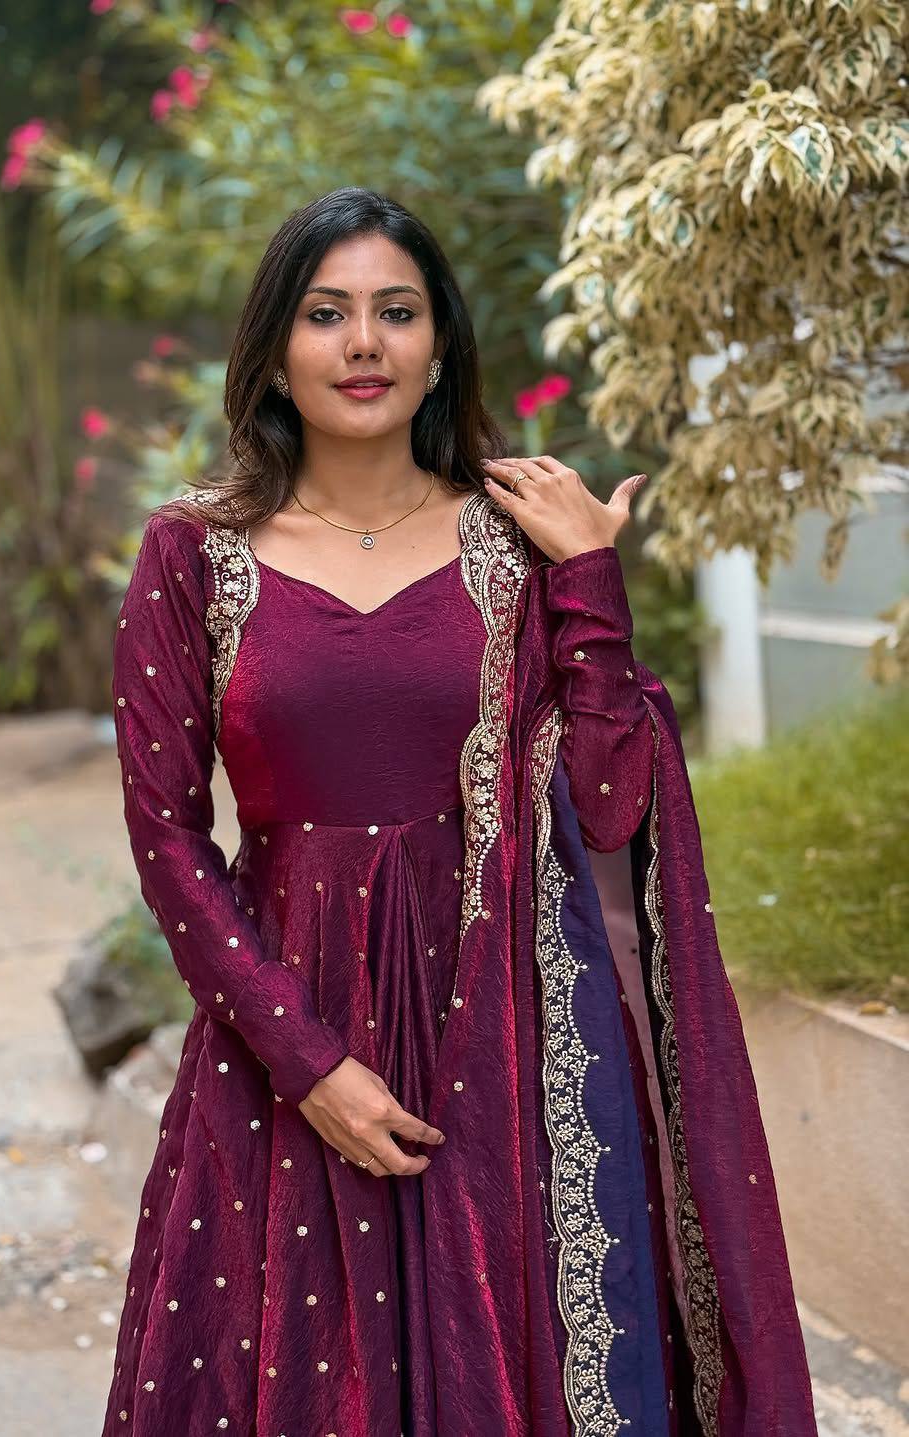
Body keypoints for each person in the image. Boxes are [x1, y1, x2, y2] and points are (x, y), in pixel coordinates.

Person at [102, 188, 817, 1436]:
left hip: (502, 1020)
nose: (363, 344)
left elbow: (605, 804)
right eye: (327, 315)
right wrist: (309, 1062)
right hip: (288, 1027)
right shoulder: (194, 553)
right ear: (276, 348)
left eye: (397, 312)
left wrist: (590, 584)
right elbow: (167, 839)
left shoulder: (519, 542)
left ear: (440, 346)